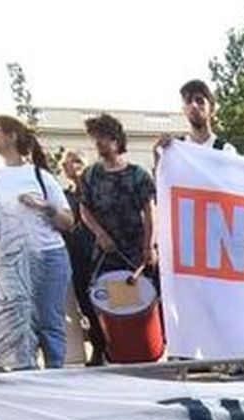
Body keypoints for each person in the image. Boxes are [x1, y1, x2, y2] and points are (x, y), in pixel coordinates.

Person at [0, 116, 74, 368]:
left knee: (49, 321)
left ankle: (55, 376)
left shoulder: (40, 176)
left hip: (48, 254)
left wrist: (43, 206)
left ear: (11, 136)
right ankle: (27, 376)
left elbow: (68, 221)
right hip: (10, 260)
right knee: (19, 322)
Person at [78, 114, 155, 362]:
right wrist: (99, 234)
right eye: (95, 138)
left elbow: (149, 211)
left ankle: (145, 351)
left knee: (141, 302)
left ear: (116, 139)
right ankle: (109, 350)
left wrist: (149, 246)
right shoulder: (90, 175)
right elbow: (84, 209)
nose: (98, 143)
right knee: (105, 302)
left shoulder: (138, 175)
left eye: (103, 137)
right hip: (105, 253)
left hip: (134, 253)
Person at [59, 149, 103, 365]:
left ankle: (109, 346)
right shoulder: (63, 196)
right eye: (67, 162)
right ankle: (98, 346)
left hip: (99, 253)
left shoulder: (97, 191)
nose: (72, 165)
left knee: (103, 301)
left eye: (76, 161)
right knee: (85, 304)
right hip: (75, 256)